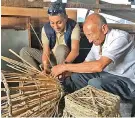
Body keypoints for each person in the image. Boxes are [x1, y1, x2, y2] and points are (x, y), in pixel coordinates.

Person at [51, 13, 135, 100]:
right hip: (107, 75)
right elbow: (86, 63)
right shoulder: (98, 40)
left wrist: (64, 67)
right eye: (87, 35)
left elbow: (99, 66)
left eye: (90, 34)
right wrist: (66, 72)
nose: (89, 40)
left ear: (104, 29)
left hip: (128, 81)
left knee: (95, 83)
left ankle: (95, 107)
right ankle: (75, 100)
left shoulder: (120, 38)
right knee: (76, 77)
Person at [20, 1, 80, 73]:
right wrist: (46, 67)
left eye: (59, 22)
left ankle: (60, 77)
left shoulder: (73, 26)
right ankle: (39, 79)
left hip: (66, 61)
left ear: (66, 18)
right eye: (52, 23)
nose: (56, 26)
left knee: (61, 48)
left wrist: (63, 67)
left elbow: (75, 51)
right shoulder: (46, 28)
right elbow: (46, 51)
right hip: (52, 59)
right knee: (24, 51)